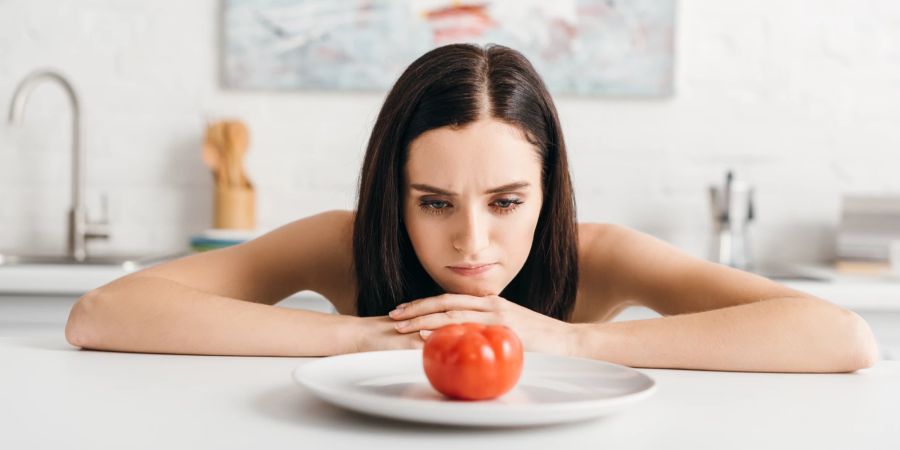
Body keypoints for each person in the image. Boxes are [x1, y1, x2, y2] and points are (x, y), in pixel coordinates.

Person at [65, 43, 878, 372]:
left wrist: (571, 339)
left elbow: (841, 337)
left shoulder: (601, 256)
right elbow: (102, 313)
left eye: (506, 201)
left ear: (548, 191)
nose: (471, 242)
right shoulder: (343, 246)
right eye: (432, 202)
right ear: (394, 193)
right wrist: (361, 334)